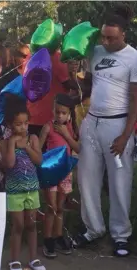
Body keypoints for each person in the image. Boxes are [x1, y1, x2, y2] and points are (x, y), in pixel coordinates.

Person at [74, 6, 137, 257]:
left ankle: (121, 234)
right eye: (104, 36)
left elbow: (136, 99)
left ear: (123, 34)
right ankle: (93, 228)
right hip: (92, 122)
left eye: (112, 37)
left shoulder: (135, 58)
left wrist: (126, 135)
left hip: (118, 125)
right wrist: (76, 78)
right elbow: (88, 85)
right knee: (86, 178)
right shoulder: (95, 52)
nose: (106, 41)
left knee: (119, 181)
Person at [0, 95, 45, 270]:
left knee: (31, 224)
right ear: (11, 125)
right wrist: (12, 144)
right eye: (19, 124)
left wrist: (26, 147)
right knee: (17, 225)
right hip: (14, 190)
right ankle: (14, 259)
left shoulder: (32, 139)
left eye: (25, 123)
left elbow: (39, 160)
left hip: (32, 189)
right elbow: (9, 164)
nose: (23, 127)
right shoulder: (5, 142)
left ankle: (33, 258)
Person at [38, 93, 80, 258]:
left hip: (65, 172)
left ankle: (58, 236)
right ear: (53, 110)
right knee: (51, 207)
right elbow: (39, 149)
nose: (60, 115)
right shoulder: (47, 127)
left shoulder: (70, 127)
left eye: (63, 113)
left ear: (69, 112)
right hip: (50, 171)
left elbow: (78, 148)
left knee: (60, 207)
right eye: (57, 112)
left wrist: (66, 134)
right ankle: (48, 239)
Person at [26, 45, 79, 139]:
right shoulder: (58, 58)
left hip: (32, 116)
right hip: (52, 119)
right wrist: (71, 72)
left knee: (36, 150)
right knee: (55, 151)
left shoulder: (31, 57)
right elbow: (73, 86)